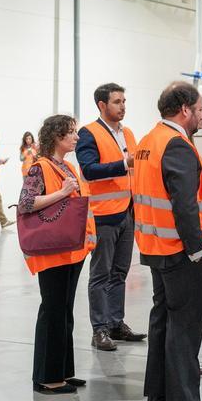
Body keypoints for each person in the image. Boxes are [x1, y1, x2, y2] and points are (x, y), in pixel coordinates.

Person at [133, 81, 202, 401]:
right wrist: (197, 250)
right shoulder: (176, 145)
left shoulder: (148, 142)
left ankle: (158, 393)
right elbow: (184, 205)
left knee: (164, 319)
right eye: (201, 110)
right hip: (179, 250)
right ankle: (184, 400)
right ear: (185, 109)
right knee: (185, 324)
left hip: (155, 246)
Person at [19, 115, 97, 394]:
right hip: (53, 251)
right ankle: (47, 378)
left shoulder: (67, 166)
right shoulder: (40, 168)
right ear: (56, 136)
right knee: (52, 311)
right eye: (71, 133)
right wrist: (62, 193)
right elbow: (26, 203)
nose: (76, 137)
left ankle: (63, 370)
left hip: (71, 250)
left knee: (64, 311)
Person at [77, 82, 146, 352]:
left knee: (120, 271)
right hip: (104, 215)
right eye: (117, 102)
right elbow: (89, 170)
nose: (123, 106)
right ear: (102, 105)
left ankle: (116, 323)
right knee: (101, 274)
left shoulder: (128, 133)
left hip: (127, 212)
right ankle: (100, 329)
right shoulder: (88, 133)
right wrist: (123, 164)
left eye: (124, 101)